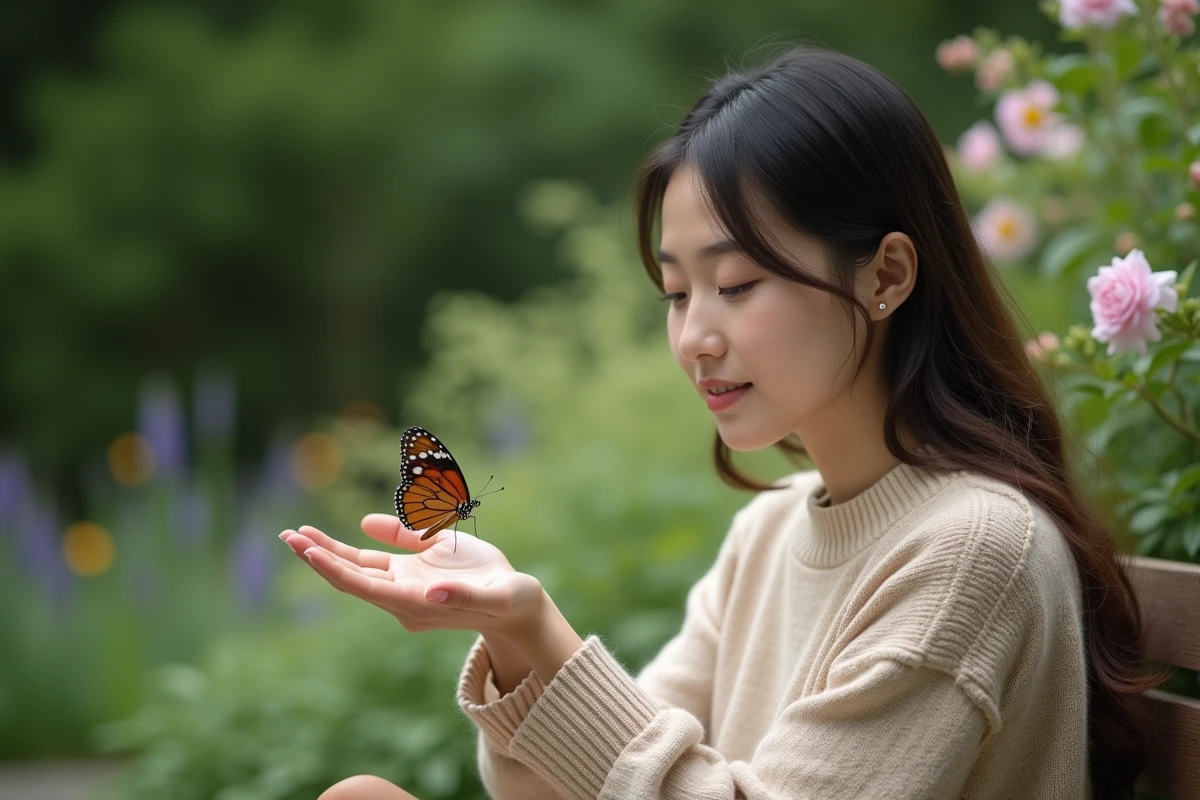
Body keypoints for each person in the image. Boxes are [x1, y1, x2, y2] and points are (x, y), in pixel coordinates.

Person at [281, 44, 1165, 800]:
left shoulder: (975, 549)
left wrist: (542, 628)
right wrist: (512, 634)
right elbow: (568, 786)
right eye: (676, 293)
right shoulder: (770, 530)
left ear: (886, 276)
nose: (695, 336)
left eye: (736, 285)